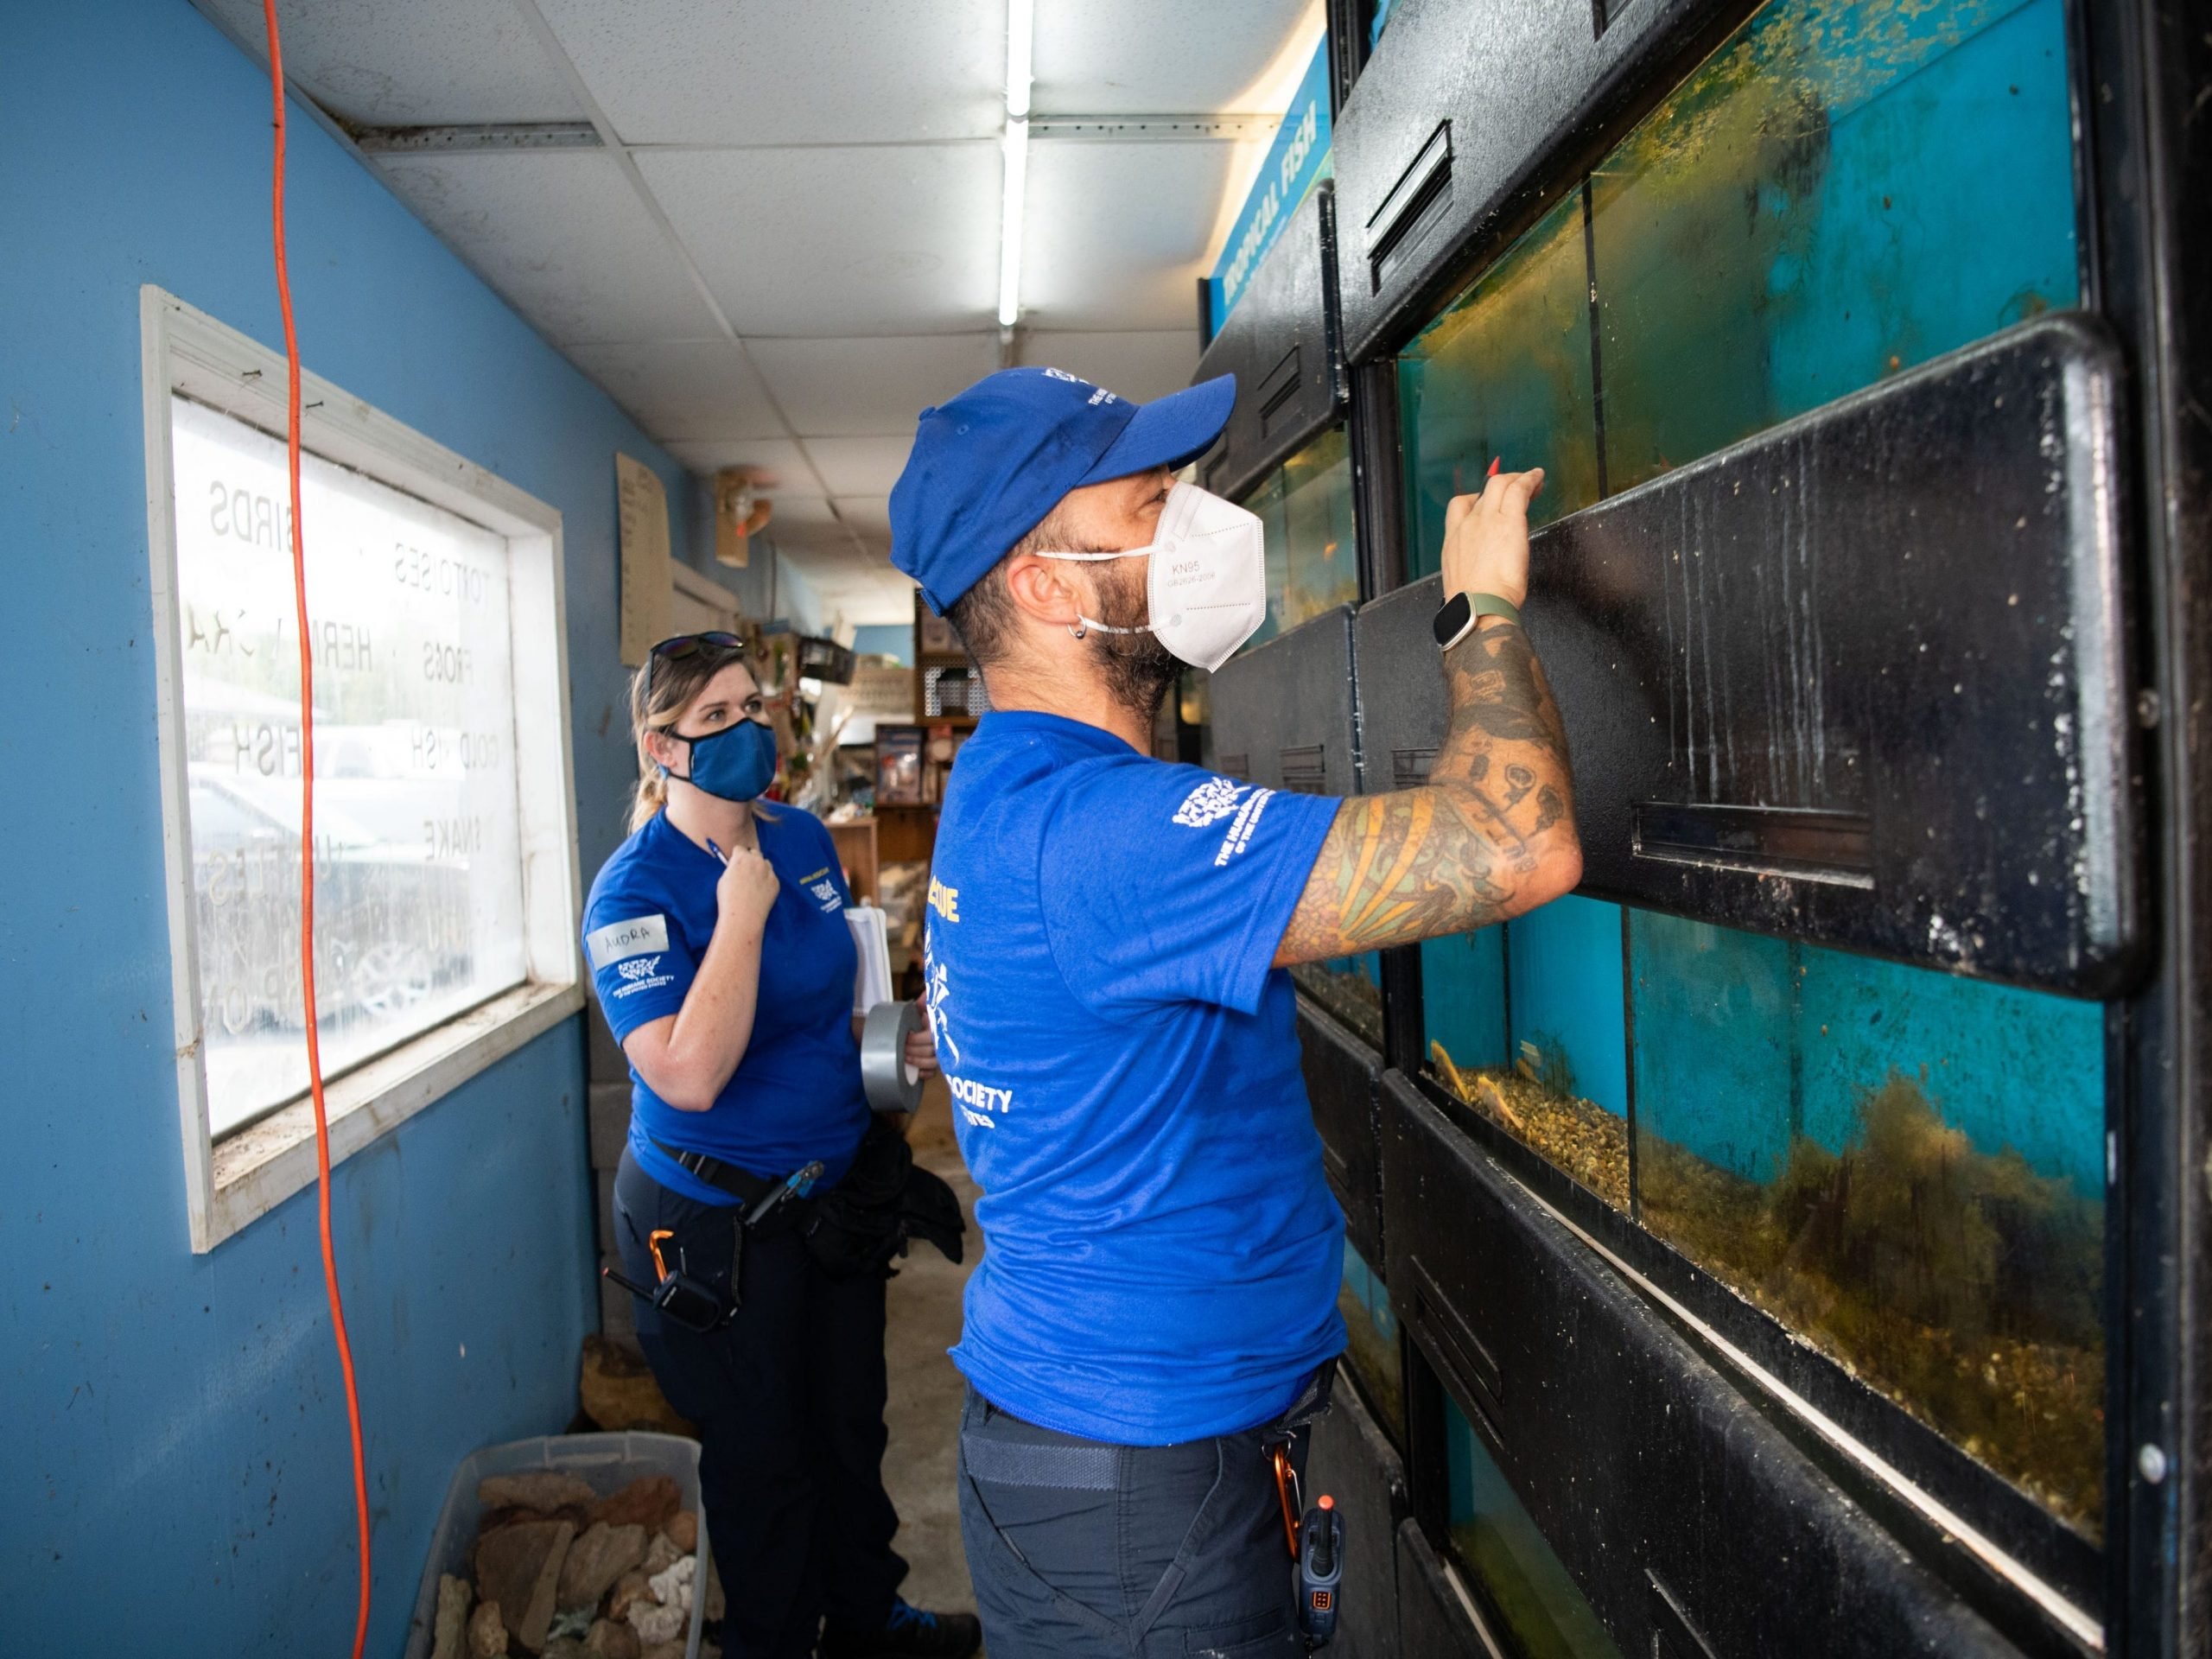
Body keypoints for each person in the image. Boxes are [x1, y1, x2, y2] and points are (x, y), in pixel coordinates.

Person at [887, 368, 1580, 1658]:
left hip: (1112, 1459)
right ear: (1043, 583)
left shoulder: (1015, 790)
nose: (1193, 522)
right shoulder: (1107, 837)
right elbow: (1511, 846)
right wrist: (1481, 606)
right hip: (1136, 1493)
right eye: (1151, 501)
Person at [582, 631, 981, 1659]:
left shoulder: (801, 839)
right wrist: (737, 918)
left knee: (851, 1426)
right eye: (713, 718)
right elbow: (689, 1073)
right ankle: (773, 1641)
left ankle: (864, 1617)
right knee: (765, 1460)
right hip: (715, 1225)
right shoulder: (631, 897)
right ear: (658, 747)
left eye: (751, 708)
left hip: (831, 1198)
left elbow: (824, 1011)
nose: (743, 730)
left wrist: (889, 1043)